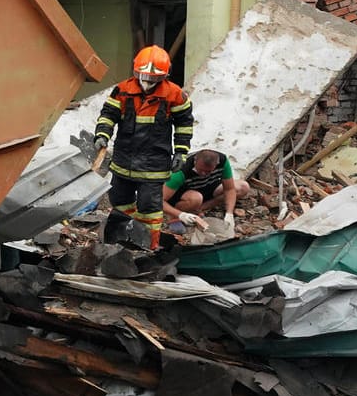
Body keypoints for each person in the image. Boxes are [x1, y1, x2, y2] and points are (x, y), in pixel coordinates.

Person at [92, 45, 194, 249]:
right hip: (123, 161)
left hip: (153, 164)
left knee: (149, 207)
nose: (148, 82)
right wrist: (102, 135)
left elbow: (184, 125)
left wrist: (181, 152)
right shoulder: (122, 90)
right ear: (136, 71)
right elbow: (108, 114)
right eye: (144, 77)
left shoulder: (174, 95)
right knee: (119, 200)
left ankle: (148, 247)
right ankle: (122, 240)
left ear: (164, 75)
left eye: (153, 79)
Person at [163, 148, 248, 222]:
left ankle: (199, 209)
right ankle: (174, 215)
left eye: (208, 172)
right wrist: (180, 214)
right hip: (185, 193)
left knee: (243, 187)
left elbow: (229, 189)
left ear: (216, 164)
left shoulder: (223, 161)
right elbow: (159, 200)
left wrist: (229, 213)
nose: (203, 174)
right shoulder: (181, 170)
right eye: (200, 170)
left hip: (207, 186)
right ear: (195, 161)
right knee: (196, 198)